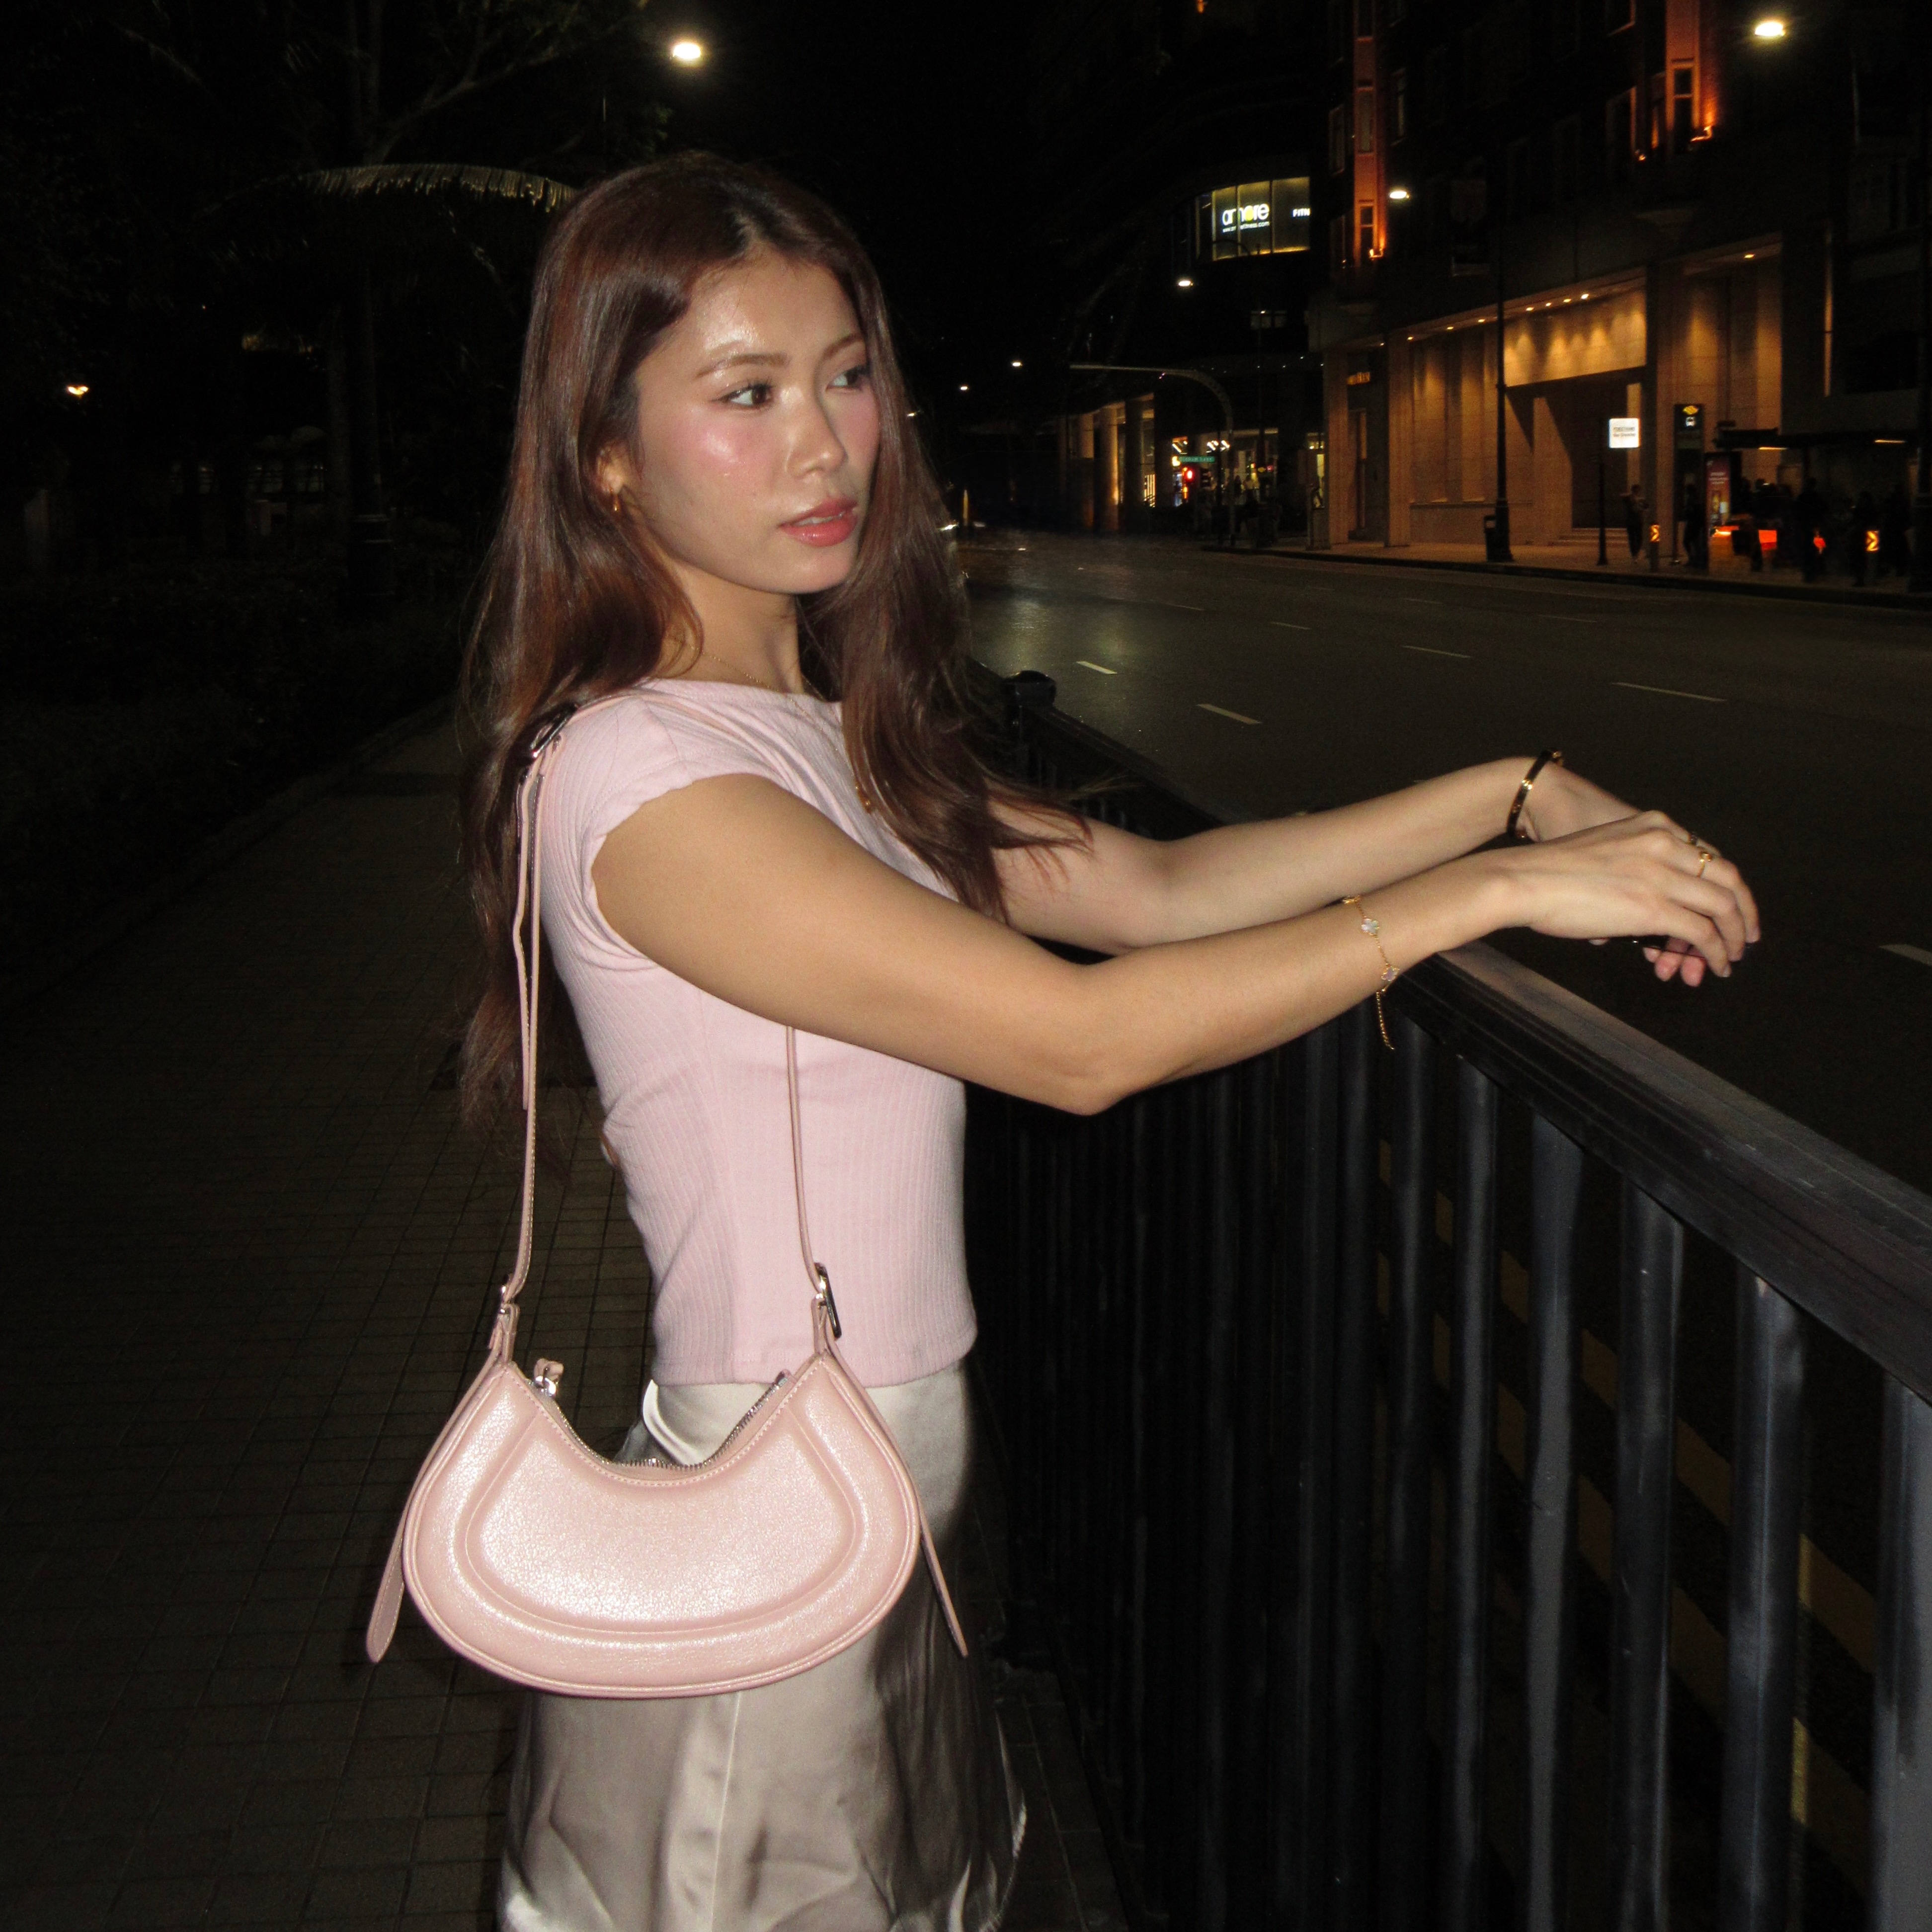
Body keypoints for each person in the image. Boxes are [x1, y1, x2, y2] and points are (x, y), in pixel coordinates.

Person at [455, 154, 1759, 1932]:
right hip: (774, 1484)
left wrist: (1513, 795)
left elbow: (1151, 890)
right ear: (605, 455)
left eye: (849, 375)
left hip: (876, 1479)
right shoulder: (638, 773)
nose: (829, 446)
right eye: (746, 396)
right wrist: (1497, 897)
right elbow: (1077, 1041)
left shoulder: (812, 734)